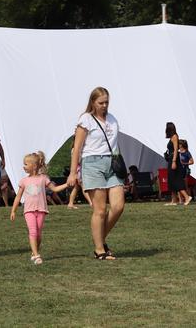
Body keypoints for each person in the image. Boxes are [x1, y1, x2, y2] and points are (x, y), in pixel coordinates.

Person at [67, 86, 125, 260]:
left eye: (107, 102)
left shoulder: (113, 119)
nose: (104, 105)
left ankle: (100, 238)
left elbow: (115, 143)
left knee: (118, 206)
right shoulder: (86, 119)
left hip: (112, 162)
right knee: (100, 209)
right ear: (93, 102)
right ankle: (99, 249)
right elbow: (76, 148)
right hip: (93, 163)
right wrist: (73, 172)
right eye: (101, 102)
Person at [10, 151, 69, 265]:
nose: (24, 166)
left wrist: (67, 184)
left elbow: (55, 189)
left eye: (26, 164)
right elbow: (18, 197)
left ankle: (34, 251)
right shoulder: (24, 181)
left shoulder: (44, 178)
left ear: (34, 166)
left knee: (38, 234)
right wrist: (13, 210)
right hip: (29, 211)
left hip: (41, 210)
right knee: (32, 231)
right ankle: (37, 255)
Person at [164, 122, 192, 206]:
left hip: (174, 159)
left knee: (176, 180)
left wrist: (173, 162)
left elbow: (176, 150)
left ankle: (187, 197)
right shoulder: (171, 137)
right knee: (171, 180)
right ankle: (174, 200)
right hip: (171, 159)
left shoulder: (175, 136)